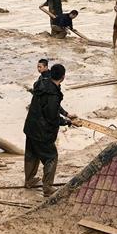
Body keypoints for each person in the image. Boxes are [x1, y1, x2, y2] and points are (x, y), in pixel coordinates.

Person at [23, 63, 76, 196]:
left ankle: (29, 180)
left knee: (31, 154)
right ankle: (47, 187)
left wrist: (66, 114)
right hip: (42, 131)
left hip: (31, 127)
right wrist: (66, 122)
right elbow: (52, 116)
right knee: (51, 156)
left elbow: (53, 106)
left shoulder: (42, 84)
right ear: (63, 77)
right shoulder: (53, 93)